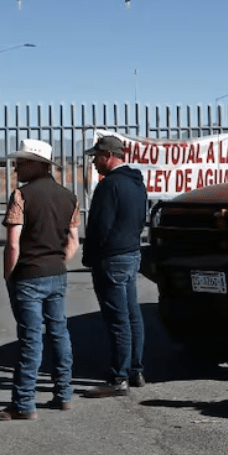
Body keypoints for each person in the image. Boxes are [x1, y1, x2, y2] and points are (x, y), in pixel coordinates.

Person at [0, 139, 80, 420]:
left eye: (21, 162)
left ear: (37, 164)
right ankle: (63, 394)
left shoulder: (21, 196)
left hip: (28, 275)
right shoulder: (69, 197)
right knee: (59, 333)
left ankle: (24, 403)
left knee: (30, 339)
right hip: (56, 273)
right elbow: (73, 242)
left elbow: (12, 244)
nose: (16, 168)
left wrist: (9, 275)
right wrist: (58, 263)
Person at [82, 135, 148, 398]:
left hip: (111, 258)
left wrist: (90, 257)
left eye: (96, 157)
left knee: (118, 320)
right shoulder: (136, 182)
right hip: (131, 253)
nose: (94, 162)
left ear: (108, 155)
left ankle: (119, 377)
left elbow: (100, 226)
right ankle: (135, 370)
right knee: (132, 315)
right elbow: (141, 218)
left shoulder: (109, 186)